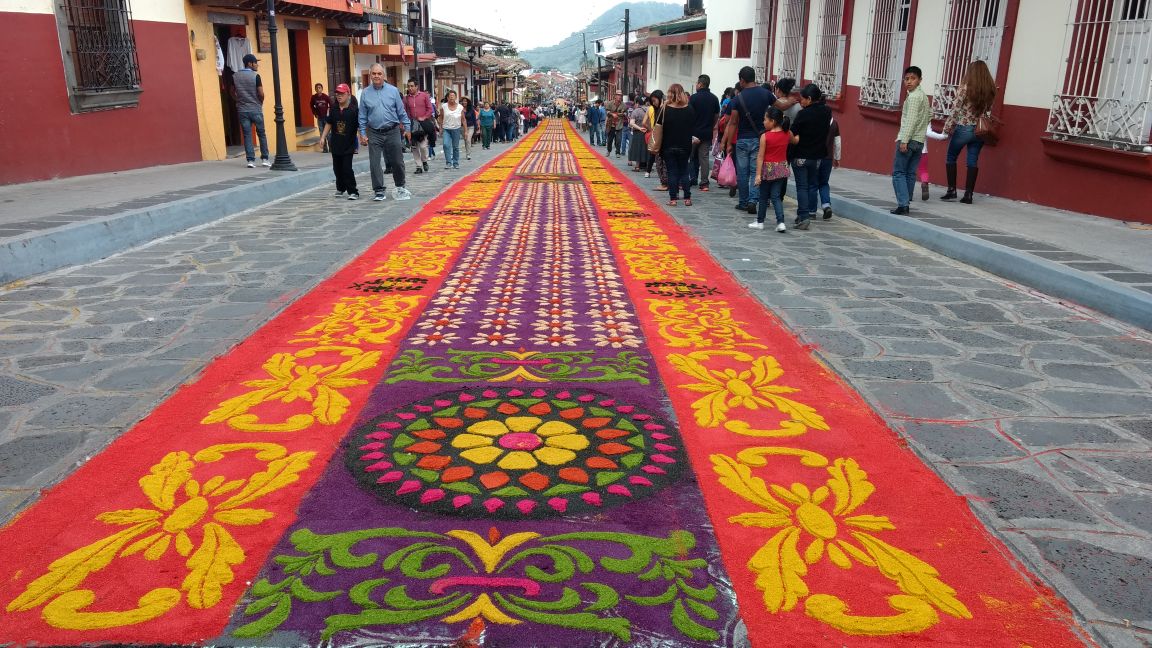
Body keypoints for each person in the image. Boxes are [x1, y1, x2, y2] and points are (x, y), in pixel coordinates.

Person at [942, 60, 997, 204]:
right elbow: (988, 113)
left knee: (951, 157)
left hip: (964, 128)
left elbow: (955, 110)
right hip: (979, 130)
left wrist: (947, 128)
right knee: (972, 160)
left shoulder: (964, 88)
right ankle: (968, 194)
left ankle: (951, 190)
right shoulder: (990, 90)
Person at [357, 63, 412, 201]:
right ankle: (379, 190)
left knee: (397, 161)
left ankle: (400, 186)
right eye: (374, 73)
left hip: (392, 130)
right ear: (370, 75)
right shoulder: (365, 93)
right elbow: (362, 116)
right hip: (374, 132)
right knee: (374, 163)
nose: (376, 76)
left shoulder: (393, 91)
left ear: (384, 75)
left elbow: (401, 112)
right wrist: (362, 133)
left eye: (379, 73)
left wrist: (407, 128)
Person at [725, 66, 775, 214]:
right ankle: (754, 200)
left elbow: (733, 122)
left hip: (742, 140)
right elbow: (779, 106)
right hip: (760, 139)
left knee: (742, 173)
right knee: (755, 171)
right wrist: (792, 101)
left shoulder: (737, 98)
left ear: (742, 80)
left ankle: (743, 202)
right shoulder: (766, 94)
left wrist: (728, 143)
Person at [788, 84, 831, 229]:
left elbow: (793, 133)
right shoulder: (827, 112)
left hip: (801, 154)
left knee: (802, 187)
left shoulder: (803, 114)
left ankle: (804, 216)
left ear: (810, 98)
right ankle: (803, 213)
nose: (801, 102)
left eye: (803, 99)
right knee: (812, 184)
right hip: (817, 156)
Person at [890, 66, 932, 215]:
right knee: (910, 173)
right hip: (920, 140)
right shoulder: (923, 96)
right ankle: (906, 200)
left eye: (913, 78)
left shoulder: (914, 97)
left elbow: (911, 120)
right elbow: (929, 115)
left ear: (920, 80)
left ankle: (903, 204)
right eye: (906, 79)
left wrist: (904, 140)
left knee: (899, 172)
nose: (909, 82)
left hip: (909, 138)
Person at [750, 106, 792, 232]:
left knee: (763, 196)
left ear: (772, 121)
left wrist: (758, 175)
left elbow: (760, 157)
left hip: (767, 169)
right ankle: (781, 222)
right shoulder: (787, 133)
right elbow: (795, 140)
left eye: (765, 119)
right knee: (776, 196)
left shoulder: (765, 136)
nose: (763, 122)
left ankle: (760, 221)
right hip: (781, 169)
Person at [658, 83, 696, 206]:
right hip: (685, 145)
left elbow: (658, 126)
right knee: (684, 171)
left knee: (672, 172)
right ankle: (687, 198)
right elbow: (693, 126)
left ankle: (673, 199)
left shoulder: (665, 108)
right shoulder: (689, 109)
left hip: (668, 145)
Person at [321, 83, 359, 200]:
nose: (339, 96)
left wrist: (362, 137)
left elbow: (359, 125)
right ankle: (340, 188)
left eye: (342, 93)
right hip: (336, 144)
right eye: (337, 93)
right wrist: (323, 137)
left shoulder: (353, 110)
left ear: (348, 94)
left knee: (347, 168)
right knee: (337, 168)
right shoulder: (334, 109)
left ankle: (353, 191)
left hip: (348, 144)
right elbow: (329, 123)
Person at [231, 53, 269, 168]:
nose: (257, 65)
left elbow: (232, 91)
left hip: (242, 110)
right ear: (249, 63)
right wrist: (260, 102)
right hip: (256, 108)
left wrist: (238, 100)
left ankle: (250, 161)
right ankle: (265, 159)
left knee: (247, 135)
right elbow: (261, 93)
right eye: (255, 63)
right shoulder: (255, 76)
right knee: (261, 133)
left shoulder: (235, 76)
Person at [688, 74, 720, 192]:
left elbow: (689, 115)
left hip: (693, 132)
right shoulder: (714, 98)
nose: (696, 85)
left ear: (700, 84)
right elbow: (716, 115)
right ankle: (704, 183)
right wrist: (711, 126)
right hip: (707, 132)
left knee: (691, 156)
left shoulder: (694, 98)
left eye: (697, 83)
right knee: (704, 158)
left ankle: (692, 178)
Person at [403, 80, 437, 174]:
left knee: (422, 146)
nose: (410, 88)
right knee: (414, 147)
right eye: (409, 86)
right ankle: (418, 166)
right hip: (412, 124)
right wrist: (405, 124)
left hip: (423, 124)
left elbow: (430, 109)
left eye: (412, 86)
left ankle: (424, 160)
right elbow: (404, 111)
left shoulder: (424, 96)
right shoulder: (406, 99)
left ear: (417, 86)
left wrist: (424, 117)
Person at [817, 112, 843, 218]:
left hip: (815, 157)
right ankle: (826, 205)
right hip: (828, 158)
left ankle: (811, 211)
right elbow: (837, 142)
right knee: (824, 183)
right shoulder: (834, 124)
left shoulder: (816, 121)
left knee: (813, 183)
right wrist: (837, 158)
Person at [919, 125, 949, 200]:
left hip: (909, 148)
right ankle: (925, 183)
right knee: (923, 170)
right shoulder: (926, 116)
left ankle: (908, 194)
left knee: (908, 172)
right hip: (922, 151)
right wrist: (943, 136)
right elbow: (928, 133)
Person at [439, 90, 464, 169]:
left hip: (456, 129)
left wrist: (466, 131)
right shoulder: (444, 106)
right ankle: (449, 162)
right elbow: (441, 117)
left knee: (455, 147)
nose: (452, 98)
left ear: (456, 97)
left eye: (453, 96)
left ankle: (455, 162)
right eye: (450, 97)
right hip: (446, 129)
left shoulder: (460, 107)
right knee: (446, 145)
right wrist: (440, 128)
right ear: (447, 97)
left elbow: (463, 119)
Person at [626, 94, 650, 172]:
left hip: (638, 132)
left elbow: (632, 123)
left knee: (638, 149)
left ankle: (637, 166)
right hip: (648, 132)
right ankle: (647, 166)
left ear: (637, 103)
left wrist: (640, 128)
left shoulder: (636, 111)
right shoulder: (649, 110)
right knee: (646, 149)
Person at [310, 83, 331, 152]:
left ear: (322, 89)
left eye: (319, 88)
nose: (318, 89)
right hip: (319, 118)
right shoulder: (314, 97)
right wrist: (315, 113)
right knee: (322, 133)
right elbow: (311, 106)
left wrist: (329, 112)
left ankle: (331, 148)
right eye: (317, 88)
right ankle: (325, 149)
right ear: (315, 89)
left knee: (328, 134)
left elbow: (331, 105)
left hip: (326, 118)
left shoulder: (326, 97)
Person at [460, 96, 477, 160]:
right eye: (463, 101)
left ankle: (468, 154)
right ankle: (467, 152)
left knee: (468, 139)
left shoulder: (471, 110)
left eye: (466, 101)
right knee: (466, 140)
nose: (464, 102)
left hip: (470, 127)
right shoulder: (460, 109)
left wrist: (475, 128)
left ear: (468, 102)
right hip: (462, 127)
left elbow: (474, 119)